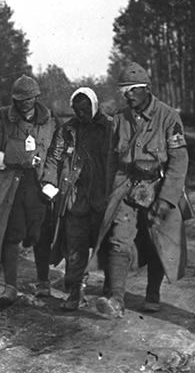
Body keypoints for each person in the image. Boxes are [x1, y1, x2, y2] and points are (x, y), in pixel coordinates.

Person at [90, 62, 189, 318]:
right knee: (117, 239)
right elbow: (112, 160)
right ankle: (116, 299)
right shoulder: (119, 119)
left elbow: (179, 160)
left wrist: (167, 199)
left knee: (158, 242)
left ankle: (153, 293)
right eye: (123, 90)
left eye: (132, 90)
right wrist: (109, 192)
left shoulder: (168, 117)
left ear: (146, 89)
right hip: (126, 185)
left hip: (158, 185)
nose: (127, 95)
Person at [0, 74, 59, 307]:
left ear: (36, 98)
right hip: (10, 185)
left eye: (29, 99)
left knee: (41, 233)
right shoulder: (2, 117)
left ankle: (44, 282)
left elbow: (56, 152)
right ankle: (10, 286)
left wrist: (51, 181)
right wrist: (15, 159)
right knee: (11, 233)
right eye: (19, 99)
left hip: (39, 184)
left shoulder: (49, 120)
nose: (24, 104)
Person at [41, 87, 112, 311]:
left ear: (95, 105)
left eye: (86, 108)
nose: (82, 113)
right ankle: (75, 291)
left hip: (103, 197)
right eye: (77, 109)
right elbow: (54, 157)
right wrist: (49, 183)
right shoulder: (68, 130)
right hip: (74, 198)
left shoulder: (110, 127)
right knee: (74, 246)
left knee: (108, 244)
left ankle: (111, 290)